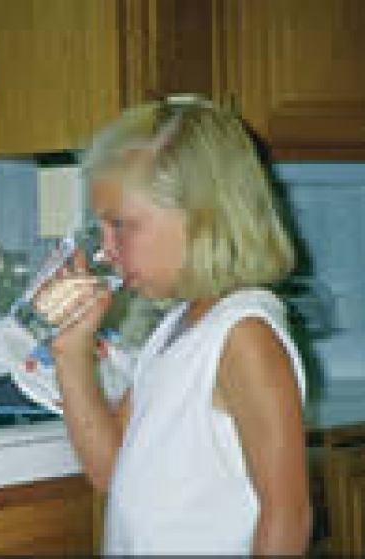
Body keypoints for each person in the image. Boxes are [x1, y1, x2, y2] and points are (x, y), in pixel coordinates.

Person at [35, 95, 312, 555]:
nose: (105, 250)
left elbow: (288, 518)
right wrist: (71, 350)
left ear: (202, 217)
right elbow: (110, 471)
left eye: (121, 225)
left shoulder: (244, 335)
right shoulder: (178, 327)